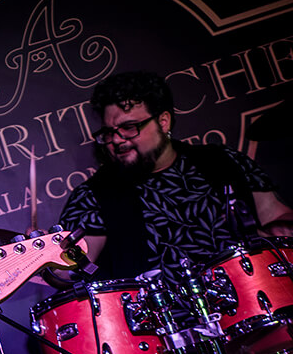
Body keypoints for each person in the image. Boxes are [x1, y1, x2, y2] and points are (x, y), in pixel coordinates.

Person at [59, 70, 293, 287]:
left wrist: (270, 236)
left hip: (256, 299)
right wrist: (52, 264)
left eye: (129, 127)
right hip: (168, 318)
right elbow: (68, 269)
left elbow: (277, 216)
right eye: (109, 133)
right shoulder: (95, 195)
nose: (117, 140)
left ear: (163, 122)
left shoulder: (222, 160)